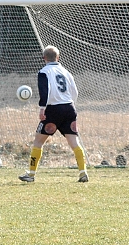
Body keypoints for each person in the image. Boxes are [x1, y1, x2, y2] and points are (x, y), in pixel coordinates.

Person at [19, 45, 89, 183]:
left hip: (53, 110)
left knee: (38, 141)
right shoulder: (66, 72)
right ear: (58, 57)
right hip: (69, 108)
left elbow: (45, 92)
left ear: (43, 58)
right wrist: (71, 106)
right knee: (74, 142)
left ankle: (31, 175)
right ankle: (83, 172)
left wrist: (42, 109)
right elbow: (74, 92)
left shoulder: (44, 72)